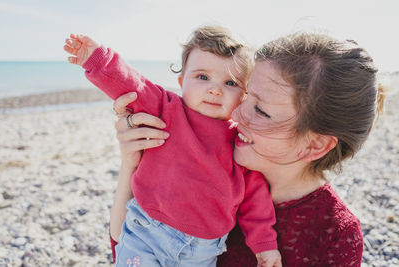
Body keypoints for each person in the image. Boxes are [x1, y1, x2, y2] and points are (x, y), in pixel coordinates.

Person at [109, 32, 385, 266]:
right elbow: (126, 247)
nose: (237, 114)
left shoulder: (334, 234)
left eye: (261, 111)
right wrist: (133, 162)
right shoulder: (206, 154)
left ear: (315, 144)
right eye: (246, 94)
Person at [64, 26, 282, 266]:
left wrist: (265, 246)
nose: (215, 89)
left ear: (244, 95)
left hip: (202, 251)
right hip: (146, 232)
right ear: (181, 81)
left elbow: (256, 201)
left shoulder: (240, 141)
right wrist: (97, 59)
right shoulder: (167, 108)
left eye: (230, 82)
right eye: (202, 77)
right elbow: (132, 84)